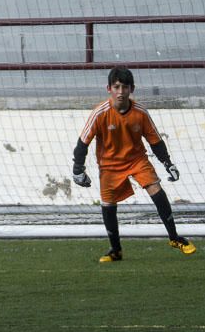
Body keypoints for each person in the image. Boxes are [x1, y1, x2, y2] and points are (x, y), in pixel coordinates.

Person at [72, 66, 196, 262]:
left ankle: (174, 238)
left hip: (137, 160)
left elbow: (155, 141)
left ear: (132, 89)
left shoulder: (140, 113)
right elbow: (82, 144)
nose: (120, 92)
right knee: (108, 204)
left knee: (156, 188)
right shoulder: (99, 113)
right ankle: (116, 250)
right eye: (116, 87)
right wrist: (77, 170)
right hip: (109, 165)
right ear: (109, 89)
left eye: (125, 87)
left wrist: (168, 163)